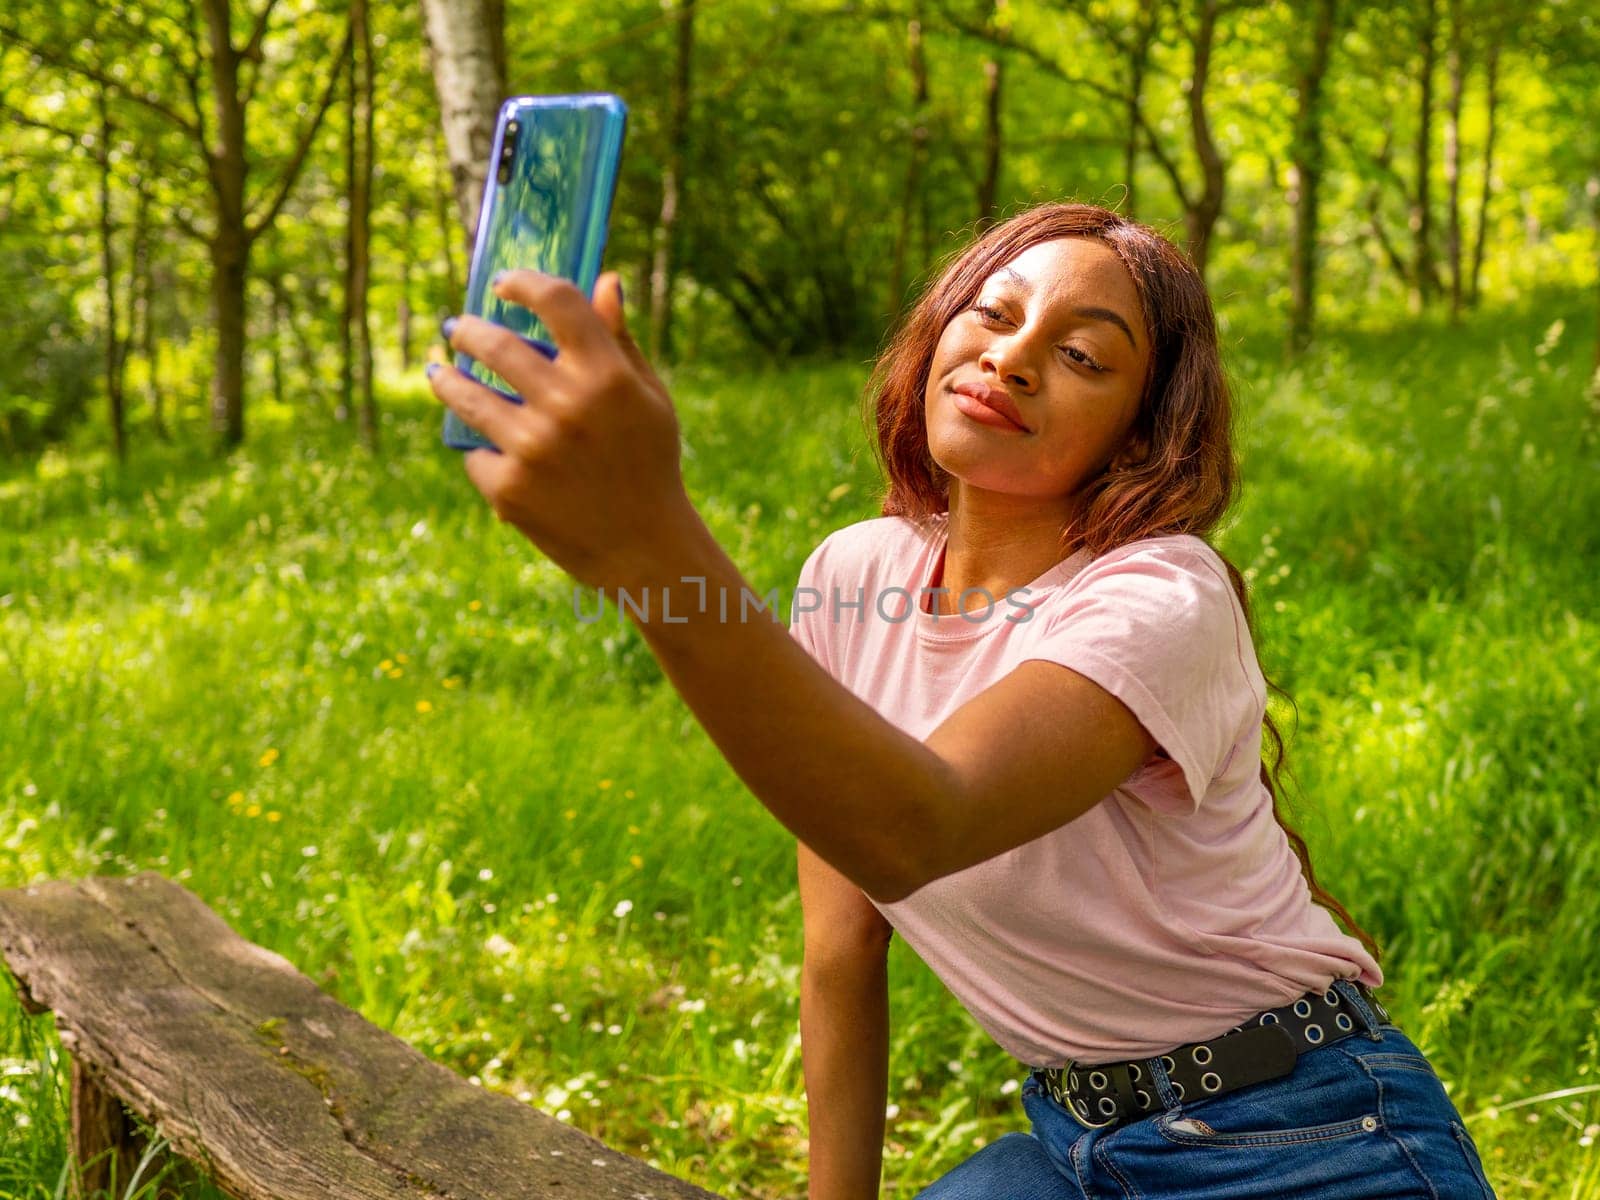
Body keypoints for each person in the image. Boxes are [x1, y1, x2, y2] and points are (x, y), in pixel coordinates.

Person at [426, 201, 1498, 1200]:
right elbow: (842, 942)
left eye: (1081, 355)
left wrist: (645, 540)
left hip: (1309, 1141)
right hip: (1074, 1151)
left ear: (1138, 431)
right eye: (992, 312)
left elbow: (914, 825)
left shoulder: (1163, 594)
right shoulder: (853, 574)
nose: (1014, 356)